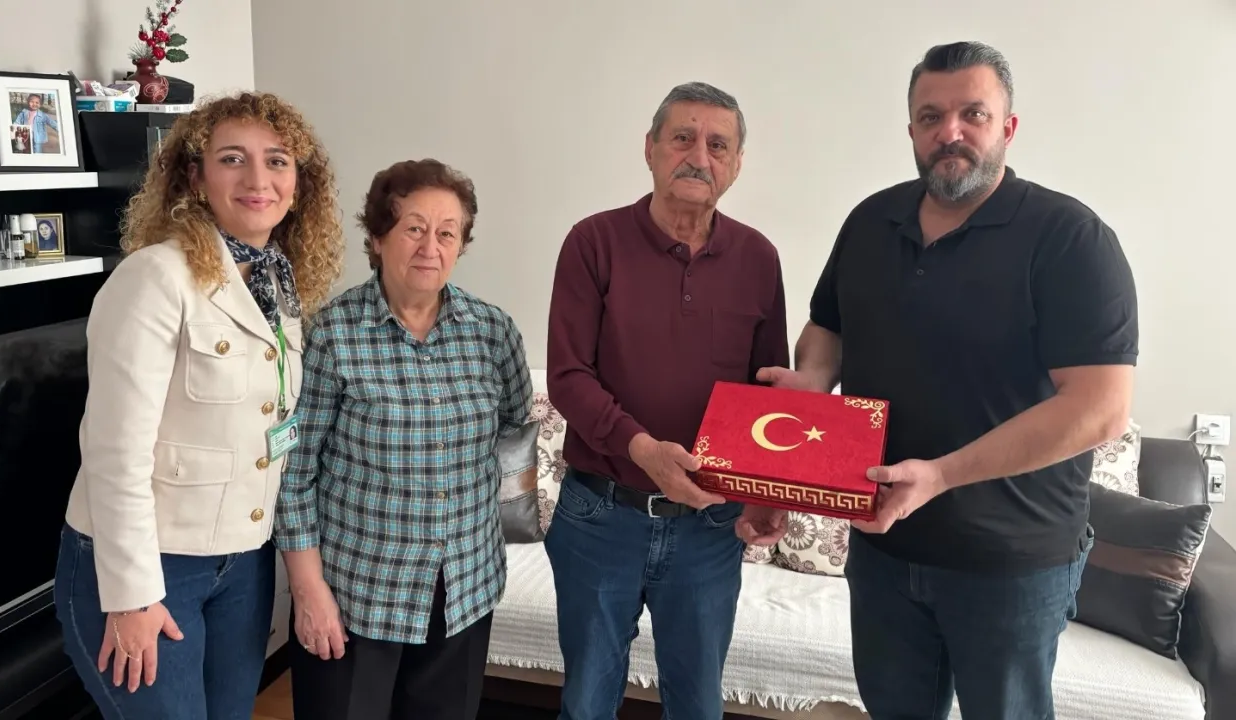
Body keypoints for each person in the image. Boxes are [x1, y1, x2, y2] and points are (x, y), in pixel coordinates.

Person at [760, 41, 1137, 720]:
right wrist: (813, 381)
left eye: (973, 114)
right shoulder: (870, 221)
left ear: (1008, 127)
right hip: (882, 547)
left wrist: (940, 475)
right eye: (931, 117)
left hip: (1011, 566)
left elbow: (1100, 408)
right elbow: (827, 329)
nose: (950, 132)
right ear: (911, 129)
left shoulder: (1069, 238)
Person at [53, 91, 345, 718]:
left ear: (299, 182)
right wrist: (132, 596)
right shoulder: (155, 278)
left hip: (243, 563)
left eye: (277, 161)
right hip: (150, 565)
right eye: (233, 159)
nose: (258, 179)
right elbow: (114, 452)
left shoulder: (278, 282)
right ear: (195, 177)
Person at [544, 81, 790, 720]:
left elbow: (768, 397)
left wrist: (767, 492)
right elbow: (568, 376)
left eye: (718, 145)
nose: (699, 157)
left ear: (736, 165)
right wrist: (644, 450)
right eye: (682, 138)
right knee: (586, 705)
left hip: (710, 526)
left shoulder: (759, 259)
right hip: (601, 516)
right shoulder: (593, 242)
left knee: (698, 706)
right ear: (650, 148)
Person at [273, 158, 533, 720]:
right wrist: (308, 592)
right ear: (377, 236)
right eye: (414, 228)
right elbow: (294, 473)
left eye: (447, 233)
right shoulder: (331, 334)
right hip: (356, 596)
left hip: (463, 591)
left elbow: (514, 434)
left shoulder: (493, 332)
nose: (430, 247)